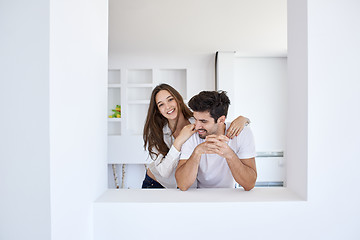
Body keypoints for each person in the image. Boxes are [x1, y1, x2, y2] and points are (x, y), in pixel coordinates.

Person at [142, 84, 250, 188]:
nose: (167, 106)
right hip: (156, 183)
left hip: (185, 186)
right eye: (161, 104)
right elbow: (163, 173)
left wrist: (244, 120)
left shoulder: (198, 121)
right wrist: (179, 140)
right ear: (158, 110)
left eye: (170, 99)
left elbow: (218, 121)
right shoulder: (156, 133)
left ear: (178, 99)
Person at [175, 90, 257, 191]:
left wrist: (229, 154)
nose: (197, 126)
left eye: (203, 121)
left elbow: (249, 184)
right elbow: (182, 184)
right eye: (195, 119)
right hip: (198, 195)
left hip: (229, 195)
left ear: (221, 120)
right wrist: (197, 152)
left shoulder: (241, 133)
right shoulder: (191, 135)